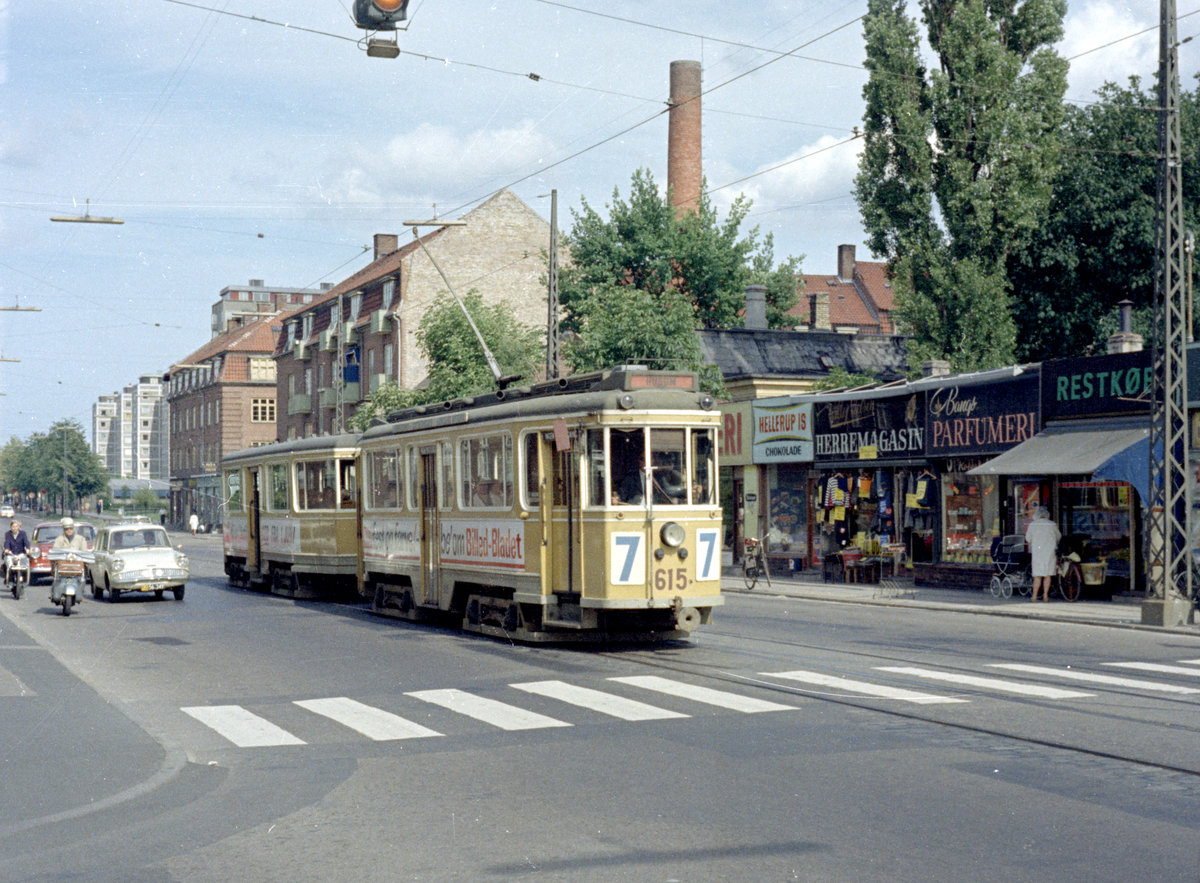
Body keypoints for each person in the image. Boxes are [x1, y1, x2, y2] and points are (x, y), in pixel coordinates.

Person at [1025, 506, 1061, 603]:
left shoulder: (1033, 525)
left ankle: (1034, 597)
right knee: (1047, 574)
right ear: (1047, 515)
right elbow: (1058, 537)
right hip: (1050, 552)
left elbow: (1028, 539)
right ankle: (1045, 596)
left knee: (1038, 575)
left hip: (1038, 552)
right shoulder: (1052, 524)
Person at [51, 517, 89, 603]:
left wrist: (83, 558)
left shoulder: (80, 539)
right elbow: (55, 551)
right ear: (63, 529)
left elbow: (84, 551)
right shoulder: (59, 539)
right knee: (56, 576)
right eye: (66, 529)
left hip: (76, 565)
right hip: (63, 566)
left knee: (83, 576)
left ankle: (81, 592)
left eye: (71, 528)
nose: (69, 530)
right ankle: (55, 592)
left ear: (73, 528)